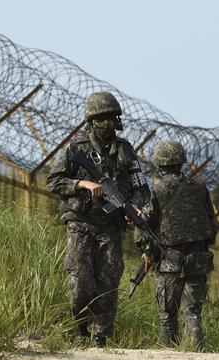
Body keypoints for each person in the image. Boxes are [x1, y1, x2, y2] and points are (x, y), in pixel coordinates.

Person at [46, 91, 149, 347]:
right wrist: (83, 183)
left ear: (117, 121)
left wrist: (132, 208)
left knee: (109, 280)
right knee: (80, 281)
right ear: (91, 122)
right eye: (100, 120)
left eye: (110, 119)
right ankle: (78, 330)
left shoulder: (125, 150)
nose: (106, 125)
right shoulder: (76, 148)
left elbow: (141, 187)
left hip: (110, 227)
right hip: (81, 223)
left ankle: (100, 337)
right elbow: (53, 181)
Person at [136, 139, 216, 350]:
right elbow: (209, 217)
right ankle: (196, 352)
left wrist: (146, 251)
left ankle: (168, 352)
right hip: (198, 257)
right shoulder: (200, 187)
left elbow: (145, 225)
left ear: (159, 163)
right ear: (181, 161)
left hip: (170, 259)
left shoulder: (158, 190)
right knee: (193, 311)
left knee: (167, 313)